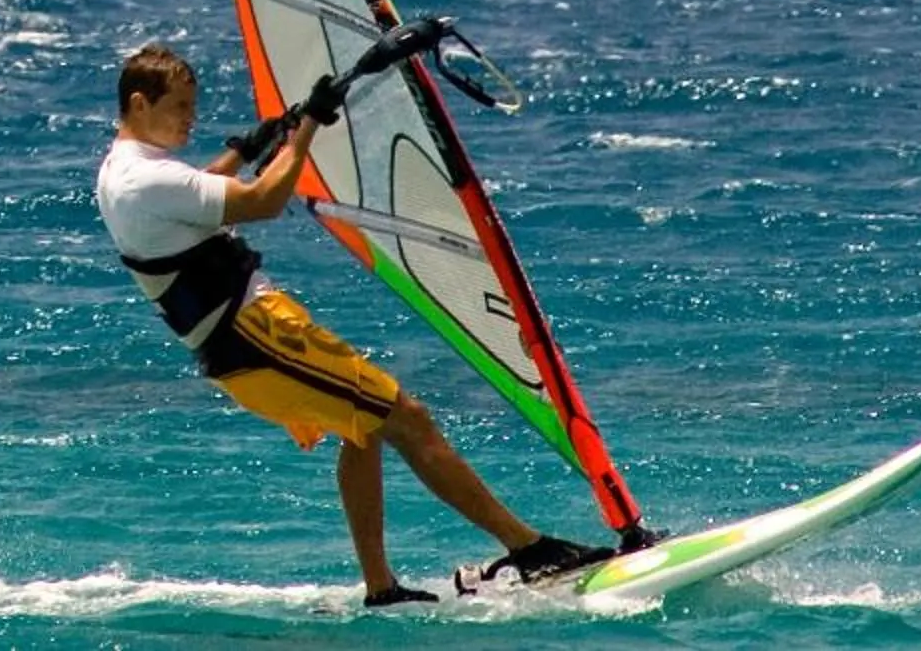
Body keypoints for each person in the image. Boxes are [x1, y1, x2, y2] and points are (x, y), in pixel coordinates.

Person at [97, 43, 609, 607]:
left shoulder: (127, 170)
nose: (191, 118)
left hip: (244, 337)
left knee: (362, 427)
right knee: (407, 418)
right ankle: (528, 548)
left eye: (193, 105)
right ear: (140, 104)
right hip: (254, 335)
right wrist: (307, 129)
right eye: (180, 107)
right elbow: (265, 202)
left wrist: (247, 149)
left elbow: (196, 195)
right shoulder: (146, 180)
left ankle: (381, 587)